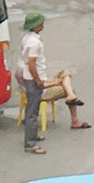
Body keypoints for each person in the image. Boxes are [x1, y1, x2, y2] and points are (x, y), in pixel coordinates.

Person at [16, 11, 88, 155]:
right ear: (37, 26)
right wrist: (39, 81)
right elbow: (32, 64)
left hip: (31, 78)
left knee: (33, 110)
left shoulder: (27, 38)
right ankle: (30, 144)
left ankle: (33, 136)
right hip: (34, 80)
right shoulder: (35, 43)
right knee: (32, 113)